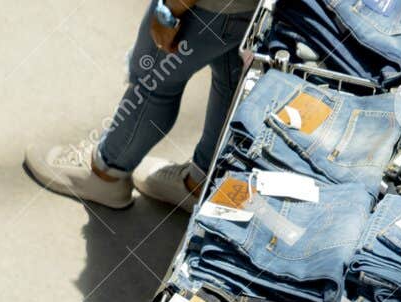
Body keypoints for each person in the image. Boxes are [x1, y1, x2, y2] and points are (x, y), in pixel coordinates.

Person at [24, 1, 259, 210]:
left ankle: (106, 173)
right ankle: (198, 183)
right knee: (231, 80)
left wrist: (169, 10)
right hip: (255, 8)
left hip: (206, 7)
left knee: (153, 83)